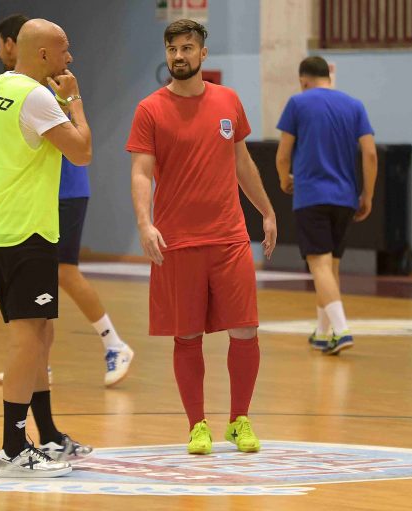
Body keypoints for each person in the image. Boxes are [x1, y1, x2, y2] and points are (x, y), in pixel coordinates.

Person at [127, 19, 277, 455]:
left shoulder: (228, 100)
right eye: (172, 49)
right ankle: (197, 425)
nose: (179, 56)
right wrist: (145, 223)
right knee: (188, 336)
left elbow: (242, 162)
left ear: (202, 53)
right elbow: (141, 172)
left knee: (245, 329)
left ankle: (240, 420)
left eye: (187, 48)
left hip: (229, 238)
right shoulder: (150, 109)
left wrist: (267, 211)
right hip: (178, 241)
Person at [0, 19, 93, 477]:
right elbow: (81, 151)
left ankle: (47, 434)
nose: (70, 58)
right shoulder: (37, 97)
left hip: (0, 228)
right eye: (64, 50)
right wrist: (74, 100)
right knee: (28, 337)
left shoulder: (2, 84)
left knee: (41, 333)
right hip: (26, 231)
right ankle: (12, 448)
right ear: (43, 54)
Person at [0, 13, 133, 387]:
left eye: (0, 44)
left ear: (15, 45)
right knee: (41, 285)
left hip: (65, 190)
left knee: (63, 272)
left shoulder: (48, 85)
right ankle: (39, 361)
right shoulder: (10, 87)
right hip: (33, 200)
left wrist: (73, 100)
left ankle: (114, 344)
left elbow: (78, 147)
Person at [275, 56, 377, 355]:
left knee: (318, 265)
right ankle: (322, 333)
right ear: (328, 77)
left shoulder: (298, 103)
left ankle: (341, 330)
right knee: (330, 267)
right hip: (345, 197)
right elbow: (370, 154)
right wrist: (368, 195)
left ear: (303, 80)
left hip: (312, 195)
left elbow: (283, 154)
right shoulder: (354, 105)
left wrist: (283, 178)